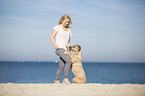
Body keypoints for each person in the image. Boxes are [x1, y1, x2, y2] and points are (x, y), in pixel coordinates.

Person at [50, 15, 72, 85]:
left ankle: (56, 81)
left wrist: (68, 45)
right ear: (62, 20)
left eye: (68, 22)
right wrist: (55, 45)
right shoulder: (57, 27)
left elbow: (68, 40)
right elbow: (52, 37)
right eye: (65, 21)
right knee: (69, 61)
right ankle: (66, 79)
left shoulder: (69, 30)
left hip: (64, 49)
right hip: (59, 48)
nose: (66, 23)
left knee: (61, 65)